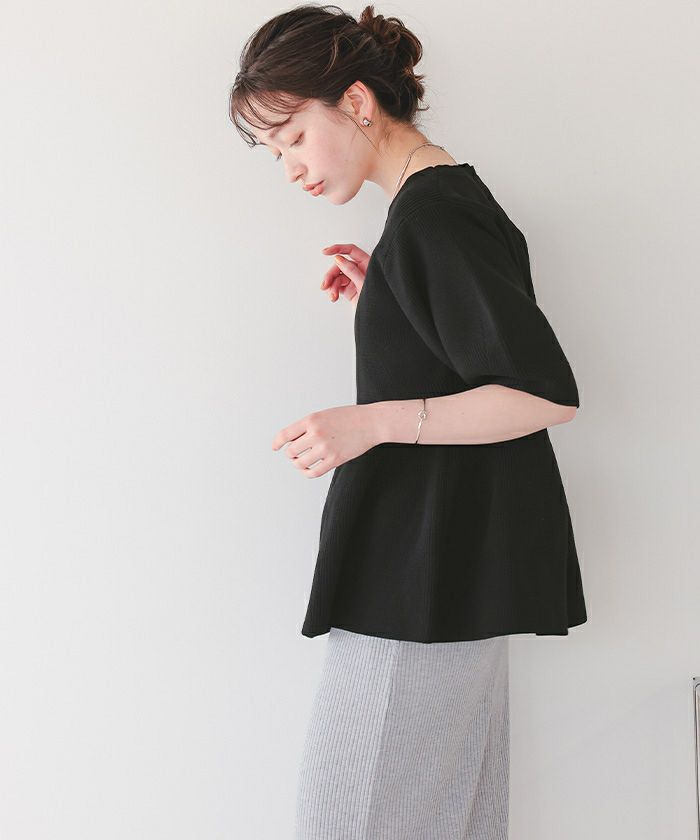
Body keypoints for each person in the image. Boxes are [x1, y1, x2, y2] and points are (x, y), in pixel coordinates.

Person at [229, 4, 588, 838]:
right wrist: (392, 296)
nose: (289, 167)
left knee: (349, 823)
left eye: (293, 137)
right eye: (274, 152)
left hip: (419, 582)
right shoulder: (434, 209)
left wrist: (366, 424)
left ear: (356, 102)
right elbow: (469, 362)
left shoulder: (434, 216)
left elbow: (543, 393)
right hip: (443, 575)